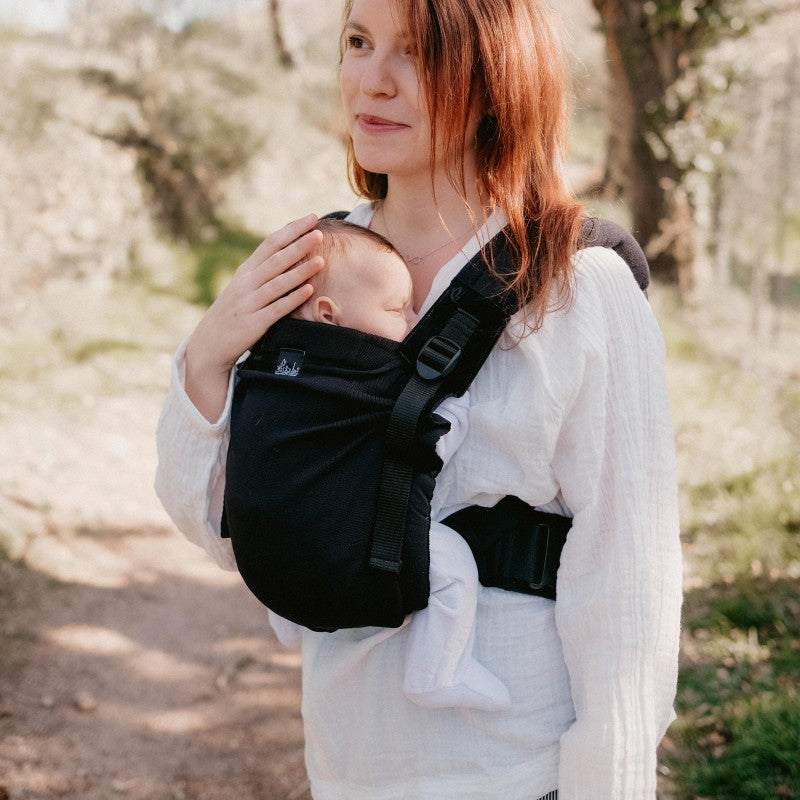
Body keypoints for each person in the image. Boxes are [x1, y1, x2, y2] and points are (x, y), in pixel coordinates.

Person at [155, 0, 682, 797]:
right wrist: (207, 357)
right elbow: (240, 529)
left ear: (500, 77)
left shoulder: (581, 288)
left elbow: (627, 591)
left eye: (419, 52)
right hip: (347, 767)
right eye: (359, 43)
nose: (373, 79)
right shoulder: (314, 270)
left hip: (516, 771)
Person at [266, 217, 512, 711]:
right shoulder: (374, 382)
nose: (415, 317)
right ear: (331, 315)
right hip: (353, 541)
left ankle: (286, 620)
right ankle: (436, 672)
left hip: (275, 553)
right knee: (454, 568)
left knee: (282, 538)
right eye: (398, 308)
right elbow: (425, 450)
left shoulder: (270, 363)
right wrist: (454, 412)